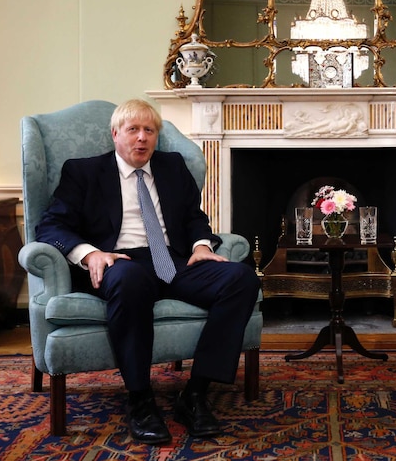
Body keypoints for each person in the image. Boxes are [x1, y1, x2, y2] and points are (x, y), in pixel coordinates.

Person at [35, 98, 261, 444]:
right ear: (115, 134)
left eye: (149, 130)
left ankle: (196, 393)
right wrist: (90, 254)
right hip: (119, 262)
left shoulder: (171, 166)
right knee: (130, 280)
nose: (142, 138)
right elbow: (51, 226)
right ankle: (141, 400)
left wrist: (202, 246)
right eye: (133, 130)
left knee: (240, 278)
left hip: (172, 261)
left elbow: (193, 217)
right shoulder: (83, 172)